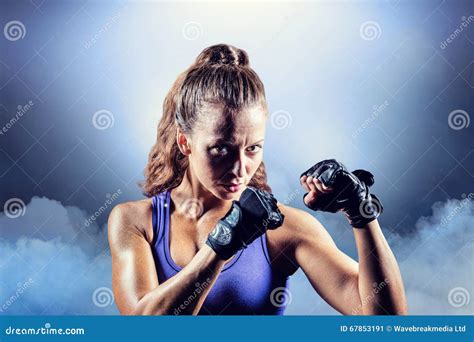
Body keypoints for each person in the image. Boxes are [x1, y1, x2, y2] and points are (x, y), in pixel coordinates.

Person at [107, 44, 408, 315]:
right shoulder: (135, 221)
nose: (239, 167)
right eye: (221, 148)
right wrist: (222, 246)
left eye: (253, 149)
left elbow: (386, 324)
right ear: (185, 143)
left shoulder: (284, 228)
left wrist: (361, 214)